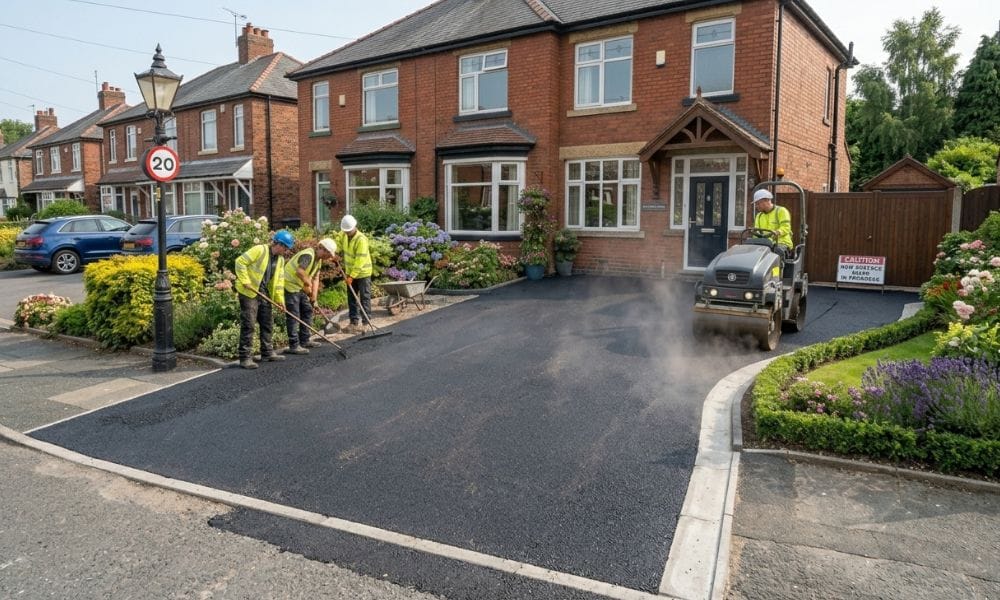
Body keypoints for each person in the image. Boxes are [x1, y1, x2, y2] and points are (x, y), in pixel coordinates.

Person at [234, 230, 294, 369]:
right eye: (285, 247)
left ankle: (267, 353)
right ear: (278, 244)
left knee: (267, 322)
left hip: (263, 291)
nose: (286, 251)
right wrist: (245, 280)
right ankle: (245, 357)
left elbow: (278, 282)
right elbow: (240, 262)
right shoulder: (259, 250)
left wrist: (280, 301)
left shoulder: (279, 260)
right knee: (249, 324)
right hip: (249, 291)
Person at [283, 237, 338, 355]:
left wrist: (314, 296)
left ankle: (305, 340)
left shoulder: (318, 261)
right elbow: (300, 272)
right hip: (289, 285)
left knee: (307, 310)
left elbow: (316, 278)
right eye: (329, 254)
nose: (329, 257)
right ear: (322, 249)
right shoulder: (308, 255)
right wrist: (307, 284)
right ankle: (293, 345)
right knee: (294, 315)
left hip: (299, 286)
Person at [335, 214, 373, 334]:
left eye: (348, 231)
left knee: (364, 298)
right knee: (351, 298)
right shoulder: (344, 235)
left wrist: (352, 276)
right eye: (345, 231)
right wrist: (334, 252)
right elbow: (339, 243)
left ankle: (366, 323)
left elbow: (359, 260)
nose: (346, 233)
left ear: (354, 227)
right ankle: (353, 323)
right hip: (350, 272)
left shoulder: (361, 239)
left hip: (362, 273)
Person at [752, 188, 793, 261]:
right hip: (765, 243)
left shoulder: (781, 211)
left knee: (777, 251)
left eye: (758, 203)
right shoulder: (759, 216)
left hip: (781, 243)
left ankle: (778, 272)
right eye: (756, 204)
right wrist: (754, 234)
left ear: (766, 200)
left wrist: (777, 232)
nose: (756, 206)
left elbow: (786, 227)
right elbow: (756, 231)